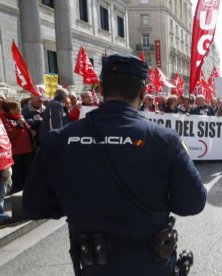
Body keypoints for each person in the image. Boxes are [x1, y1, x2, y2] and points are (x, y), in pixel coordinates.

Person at [23, 54, 206, 275]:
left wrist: (81, 205)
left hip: (93, 264)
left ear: (100, 88)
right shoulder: (164, 139)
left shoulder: (59, 140)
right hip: (151, 264)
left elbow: (35, 205)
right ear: (143, 92)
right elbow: (193, 202)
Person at [3, 101, 35, 193]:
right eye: (18, 107)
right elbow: (10, 135)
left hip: (28, 150)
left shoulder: (19, 118)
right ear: (11, 109)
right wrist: (19, 125)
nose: (20, 109)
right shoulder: (5, 120)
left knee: (27, 173)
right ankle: (17, 193)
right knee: (18, 175)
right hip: (16, 153)